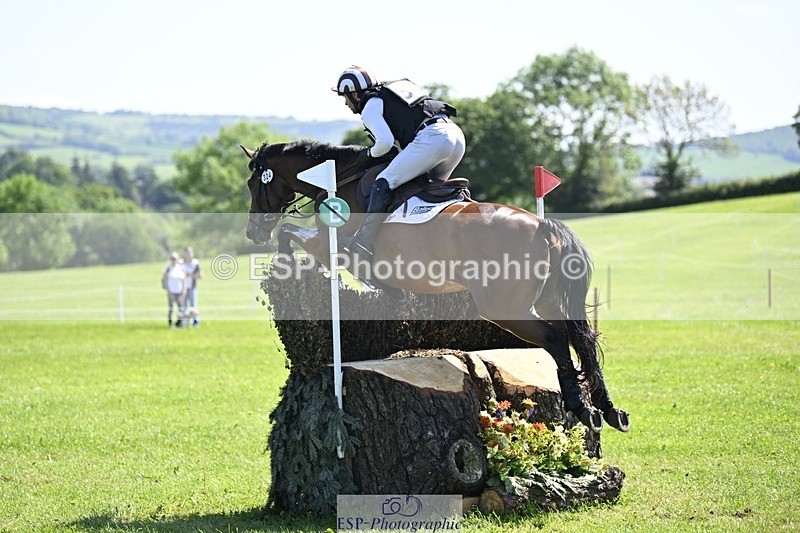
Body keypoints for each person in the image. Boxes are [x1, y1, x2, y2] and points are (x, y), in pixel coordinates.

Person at [333, 65, 466, 259]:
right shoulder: (393, 90)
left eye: (345, 97)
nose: (345, 103)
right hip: (455, 136)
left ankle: (363, 242)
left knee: (383, 182)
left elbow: (384, 143)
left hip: (432, 138)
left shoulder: (370, 107)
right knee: (428, 190)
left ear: (355, 95)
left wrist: (368, 155)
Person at [161, 251, 187, 328]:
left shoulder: (181, 268)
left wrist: (184, 290)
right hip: (171, 292)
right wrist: (169, 292)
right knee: (171, 309)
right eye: (172, 258)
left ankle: (179, 324)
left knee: (181, 309)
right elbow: (165, 280)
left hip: (179, 292)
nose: (173, 260)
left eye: (175, 259)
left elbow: (184, 280)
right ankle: (171, 324)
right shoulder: (168, 269)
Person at [181, 246, 202, 327]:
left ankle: (196, 322)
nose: (188, 255)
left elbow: (200, 275)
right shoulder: (182, 263)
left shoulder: (196, 263)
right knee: (184, 305)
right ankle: (184, 323)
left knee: (194, 305)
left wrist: (190, 275)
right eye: (187, 253)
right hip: (183, 288)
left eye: (190, 253)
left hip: (192, 287)